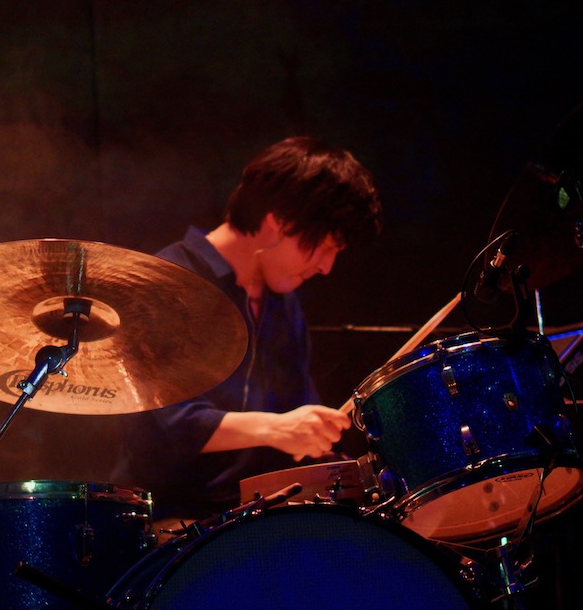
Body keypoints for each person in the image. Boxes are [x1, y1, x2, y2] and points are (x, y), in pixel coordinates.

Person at [110, 135, 383, 530]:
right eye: (324, 247)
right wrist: (278, 428)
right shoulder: (165, 284)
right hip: (166, 523)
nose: (326, 268)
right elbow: (171, 426)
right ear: (279, 222)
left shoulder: (283, 303)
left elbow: (300, 418)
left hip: (256, 522)